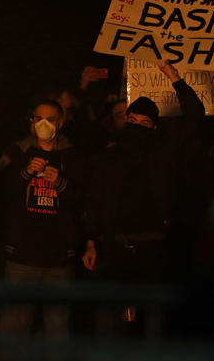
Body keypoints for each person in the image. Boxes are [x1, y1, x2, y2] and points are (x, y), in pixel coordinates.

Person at [81, 60, 205, 283]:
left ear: (154, 127)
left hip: (156, 246)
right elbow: (96, 198)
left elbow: (194, 116)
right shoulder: (111, 157)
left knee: (153, 309)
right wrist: (91, 241)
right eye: (132, 120)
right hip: (114, 245)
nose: (137, 126)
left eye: (144, 122)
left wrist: (174, 77)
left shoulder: (163, 153)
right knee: (112, 308)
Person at [0, 99, 87, 344]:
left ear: (61, 122)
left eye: (50, 119)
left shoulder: (74, 157)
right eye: (39, 118)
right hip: (21, 257)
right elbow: (0, 193)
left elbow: (84, 200)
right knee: (14, 326)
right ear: (31, 121)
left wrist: (61, 183)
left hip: (58, 259)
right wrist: (25, 172)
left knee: (58, 329)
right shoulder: (17, 152)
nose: (44, 124)